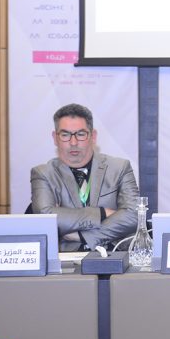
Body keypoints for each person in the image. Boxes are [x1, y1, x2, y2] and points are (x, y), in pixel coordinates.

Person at [30, 103, 140, 250]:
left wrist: (84, 236)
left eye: (81, 134)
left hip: (114, 253)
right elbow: (45, 217)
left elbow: (135, 216)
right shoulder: (43, 173)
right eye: (65, 135)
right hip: (66, 257)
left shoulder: (119, 167)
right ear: (55, 138)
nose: (73, 142)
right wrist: (102, 213)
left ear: (93, 136)